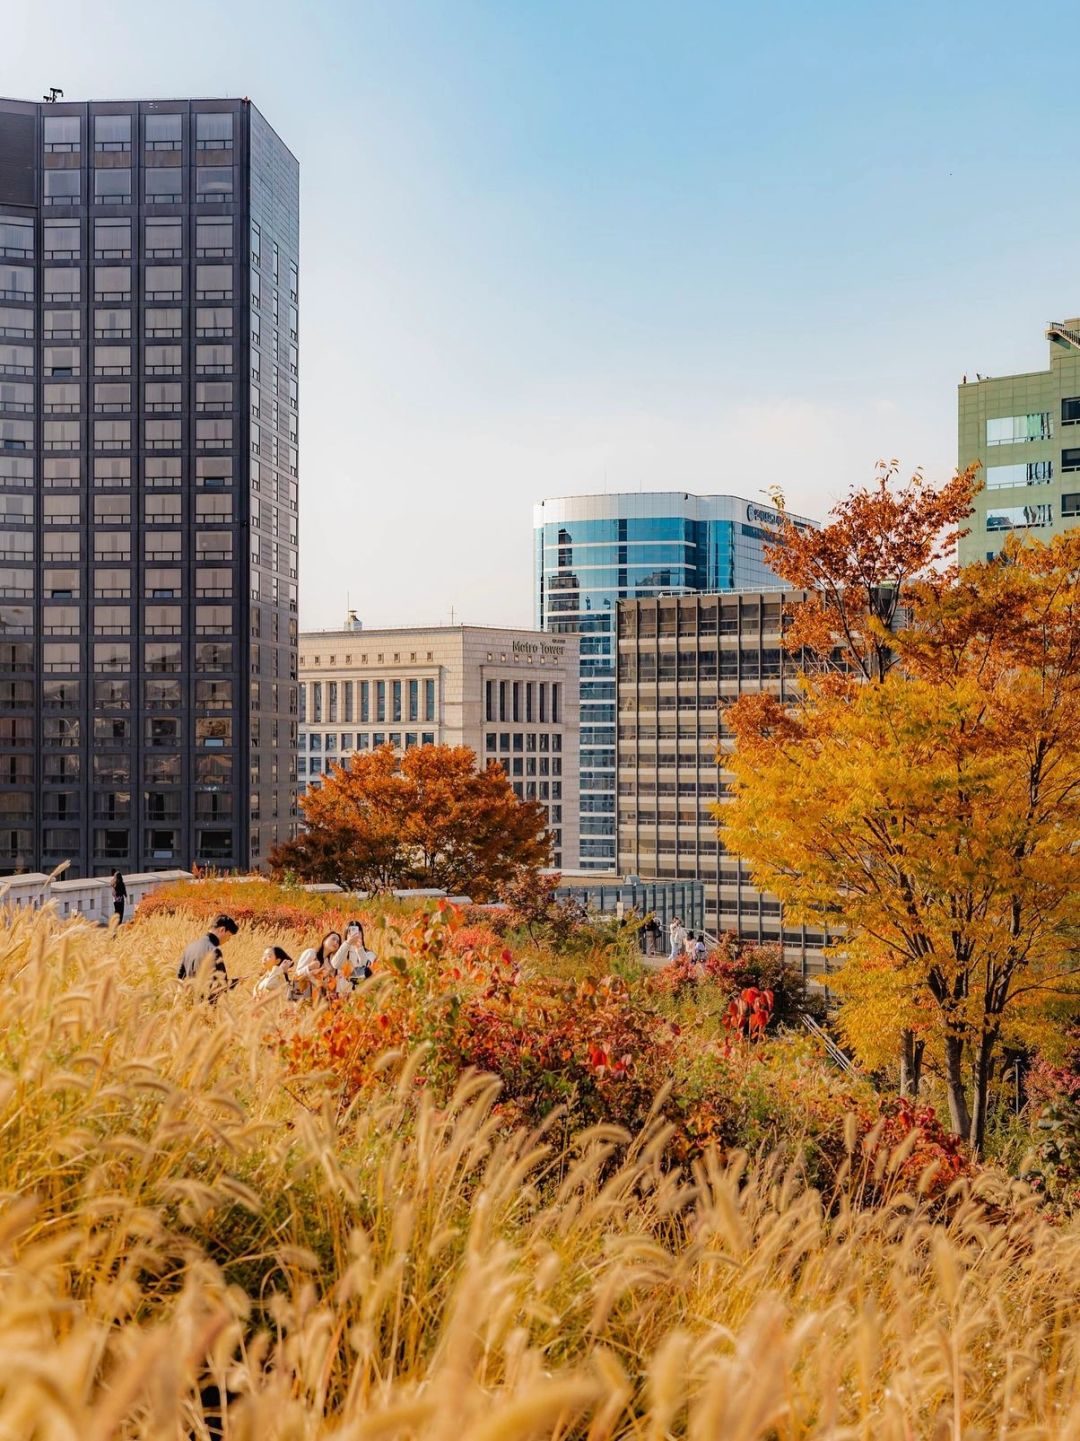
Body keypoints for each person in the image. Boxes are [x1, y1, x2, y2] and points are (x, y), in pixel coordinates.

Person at [178, 914, 239, 998]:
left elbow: (180, 979)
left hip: (187, 1003)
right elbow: (221, 984)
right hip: (205, 1006)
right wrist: (237, 981)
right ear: (222, 929)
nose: (228, 940)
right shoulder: (214, 951)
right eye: (229, 936)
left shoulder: (190, 947)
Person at [293, 930, 342, 1003]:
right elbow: (297, 974)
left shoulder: (330, 965)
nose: (336, 942)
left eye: (338, 942)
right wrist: (309, 967)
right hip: (302, 995)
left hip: (317, 1001)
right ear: (324, 939)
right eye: (333, 939)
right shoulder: (311, 953)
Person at [332, 919, 375, 997]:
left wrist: (360, 949)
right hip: (342, 997)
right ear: (346, 935)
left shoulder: (369, 954)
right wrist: (347, 943)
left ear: (362, 934)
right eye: (351, 931)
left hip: (361, 997)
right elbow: (335, 965)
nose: (354, 934)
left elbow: (367, 969)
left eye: (358, 931)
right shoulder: (341, 953)